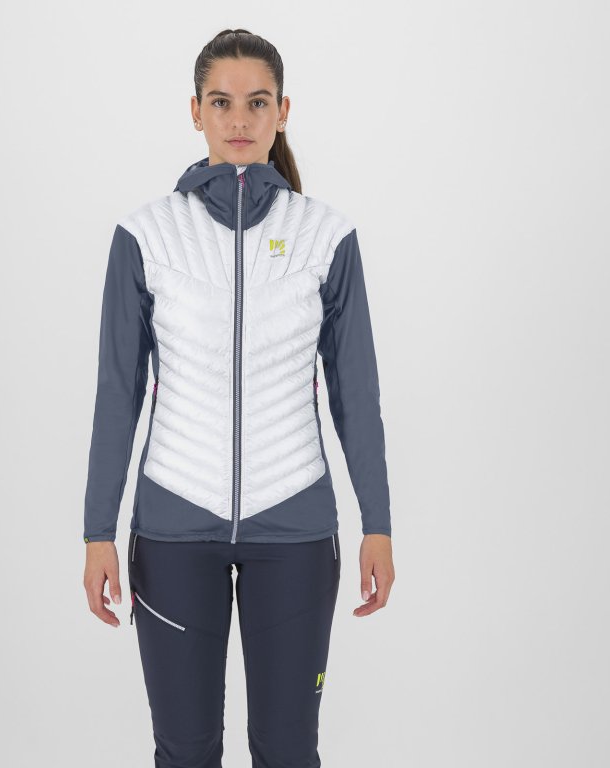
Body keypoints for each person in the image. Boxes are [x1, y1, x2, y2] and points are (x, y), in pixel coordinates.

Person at [82, 28, 395, 768]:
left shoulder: (325, 237)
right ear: (195, 111)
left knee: (287, 751)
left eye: (257, 102)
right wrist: (98, 531)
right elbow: (117, 392)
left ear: (283, 111)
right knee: (185, 753)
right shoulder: (146, 236)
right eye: (221, 102)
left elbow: (356, 392)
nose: (239, 119)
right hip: (172, 527)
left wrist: (377, 524)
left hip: (296, 528)